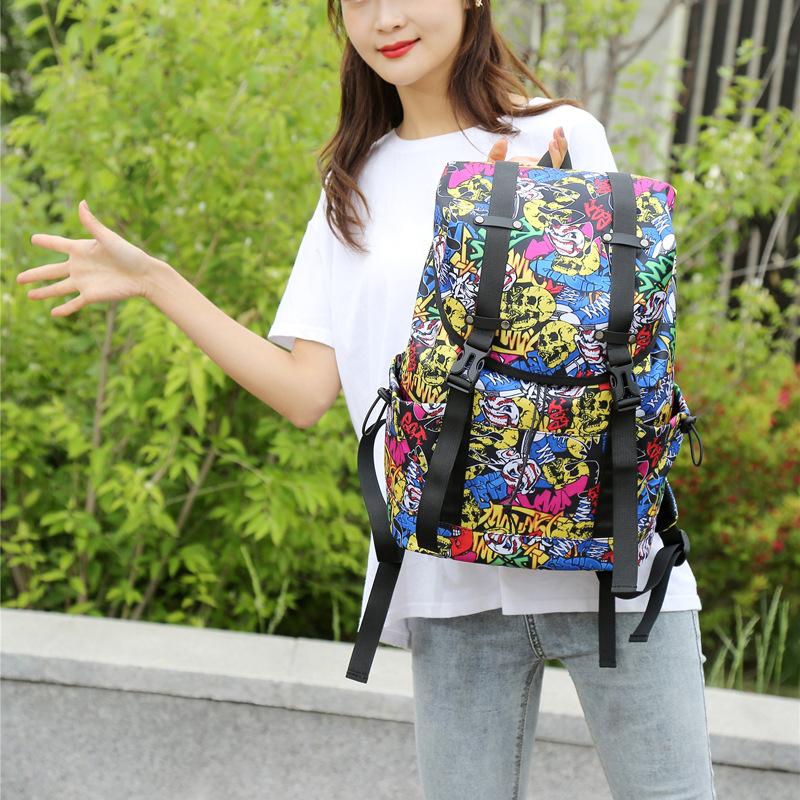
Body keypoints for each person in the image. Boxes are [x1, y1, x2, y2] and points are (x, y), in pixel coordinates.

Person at [19, 1, 717, 798]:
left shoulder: (561, 134)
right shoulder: (353, 184)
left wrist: (535, 216)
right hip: (447, 579)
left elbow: (626, 341)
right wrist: (157, 282)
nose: (385, 18)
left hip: (608, 566)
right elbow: (304, 391)